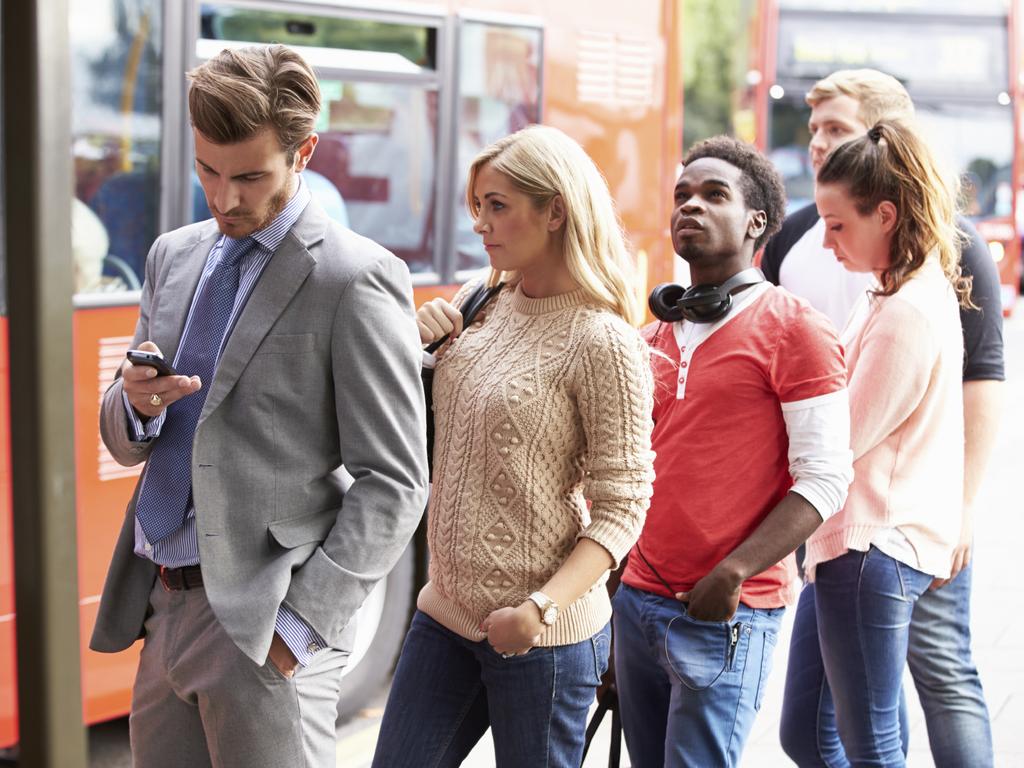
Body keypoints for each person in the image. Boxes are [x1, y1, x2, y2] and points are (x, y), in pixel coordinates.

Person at [89, 45, 428, 768]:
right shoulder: (172, 256)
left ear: (304, 152)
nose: (224, 197)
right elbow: (125, 440)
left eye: (249, 176)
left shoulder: (355, 277)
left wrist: (300, 631)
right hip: (160, 604)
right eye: (207, 170)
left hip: (266, 624)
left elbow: (396, 481)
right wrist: (138, 404)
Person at [370, 124, 655, 768]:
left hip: (541, 638)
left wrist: (539, 609)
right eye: (478, 208)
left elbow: (623, 506)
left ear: (555, 210)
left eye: (496, 206)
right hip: (444, 613)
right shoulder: (482, 300)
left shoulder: (604, 343)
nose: (480, 225)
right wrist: (418, 352)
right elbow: (420, 432)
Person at [764, 69, 1003, 767]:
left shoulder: (906, 305)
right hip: (853, 541)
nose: (829, 242)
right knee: (820, 732)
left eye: (841, 226)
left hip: (879, 540)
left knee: (896, 725)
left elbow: (834, 442)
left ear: (886, 212)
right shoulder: (887, 286)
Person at [613, 136, 853, 768]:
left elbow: (826, 478)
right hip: (634, 601)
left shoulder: (797, 329)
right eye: (682, 195)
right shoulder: (651, 335)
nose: (690, 205)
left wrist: (735, 571)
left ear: (757, 223)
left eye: (714, 194)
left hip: (725, 611)